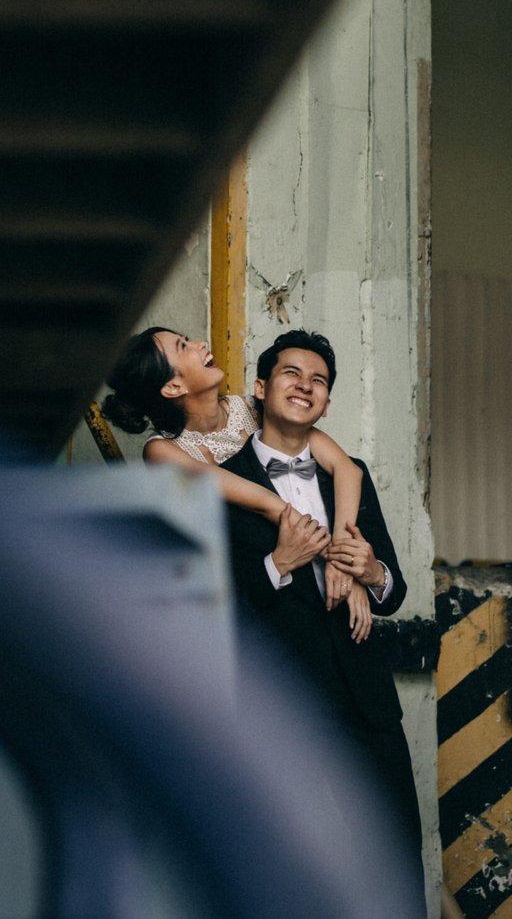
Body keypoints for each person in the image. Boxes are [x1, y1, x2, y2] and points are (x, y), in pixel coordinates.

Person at [218, 328, 425, 914]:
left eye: (319, 381)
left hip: (366, 702)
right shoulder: (219, 479)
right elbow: (216, 607)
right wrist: (278, 564)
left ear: (326, 402)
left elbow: (393, 590)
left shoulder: (347, 474)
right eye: (291, 373)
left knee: (390, 859)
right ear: (261, 388)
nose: (305, 385)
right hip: (281, 710)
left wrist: (373, 570)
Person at [103, 326, 373, 640]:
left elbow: (348, 470)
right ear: (173, 385)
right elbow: (267, 503)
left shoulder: (253, 407)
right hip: (241, 608)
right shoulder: (163, 451)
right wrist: (336, 561)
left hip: (313, 593)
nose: (201, 344)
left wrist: (347, 568)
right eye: (183, 346)